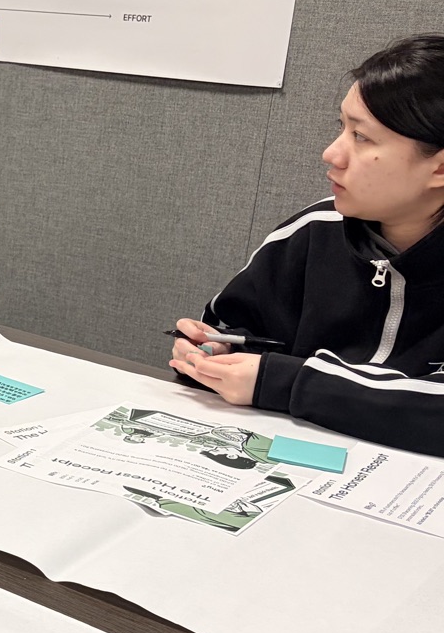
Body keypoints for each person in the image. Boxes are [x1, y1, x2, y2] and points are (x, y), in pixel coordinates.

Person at [170, 36, 444, 455]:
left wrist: (284, 382)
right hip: (296, 463)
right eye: (341, 127)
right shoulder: (314, 230)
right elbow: (237, 330)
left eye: (363, 137)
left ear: (439, 167)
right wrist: (214, 352)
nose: (331, 154)